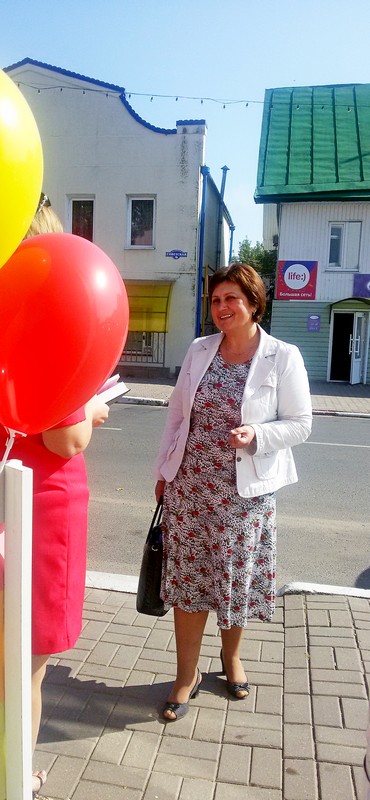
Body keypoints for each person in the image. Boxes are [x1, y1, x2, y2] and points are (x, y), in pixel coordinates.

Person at [0, 194, 110, 795]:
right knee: (26, 669)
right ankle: (16, 780)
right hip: (39, 509)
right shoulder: (44, 315)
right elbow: (66, 438)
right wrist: (93, 408)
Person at [154, 262, 312, 721]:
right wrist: (163, 470)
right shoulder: (200, 349)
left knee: (233, 582)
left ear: (253, 303)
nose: (222, 307)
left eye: (232, 299)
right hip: (190, 488)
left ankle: (231, 657)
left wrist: (258, 434)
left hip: (244, 497)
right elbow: (177, 415)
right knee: (189, 584)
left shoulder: (283, 356)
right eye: (216, 300)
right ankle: (186, 675)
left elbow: (301, 424)